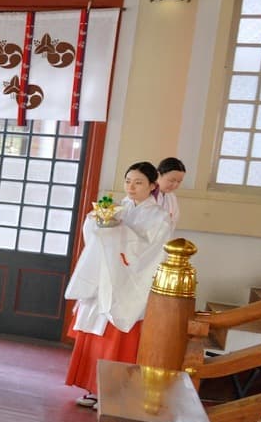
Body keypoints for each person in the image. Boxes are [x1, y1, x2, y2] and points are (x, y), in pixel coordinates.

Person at [64, 162, 174, 408]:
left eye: (138, 183)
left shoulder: (159, 217)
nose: (131, 187)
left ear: (153, 186)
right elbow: (95, 238)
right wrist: (95, 222)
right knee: (95, 333)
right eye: (128, 181)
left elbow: (151, 252)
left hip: (131, 282)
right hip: (106, 278)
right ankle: (92, 388)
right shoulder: (118, 209)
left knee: (119, 338)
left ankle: (113, 394)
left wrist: (121, 233)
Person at [153, 156, 185, 228]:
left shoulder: (171, 197)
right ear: (158, 175)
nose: (175, 185)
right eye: (172, 180)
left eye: (179, 182)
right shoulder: (145, 194)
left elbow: (173, 221)